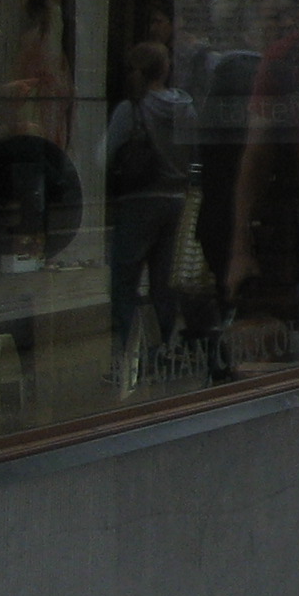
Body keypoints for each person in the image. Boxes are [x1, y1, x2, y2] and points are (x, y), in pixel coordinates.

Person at [104, 40, 195, 358]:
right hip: (176, 200)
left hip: (139, 201)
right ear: (166, 69)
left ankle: (129, 349)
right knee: (165, 282)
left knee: (125, 280)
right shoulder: (185, 108)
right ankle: (163, 346)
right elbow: (195, 151)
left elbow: (105, 154)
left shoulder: (131, 109)